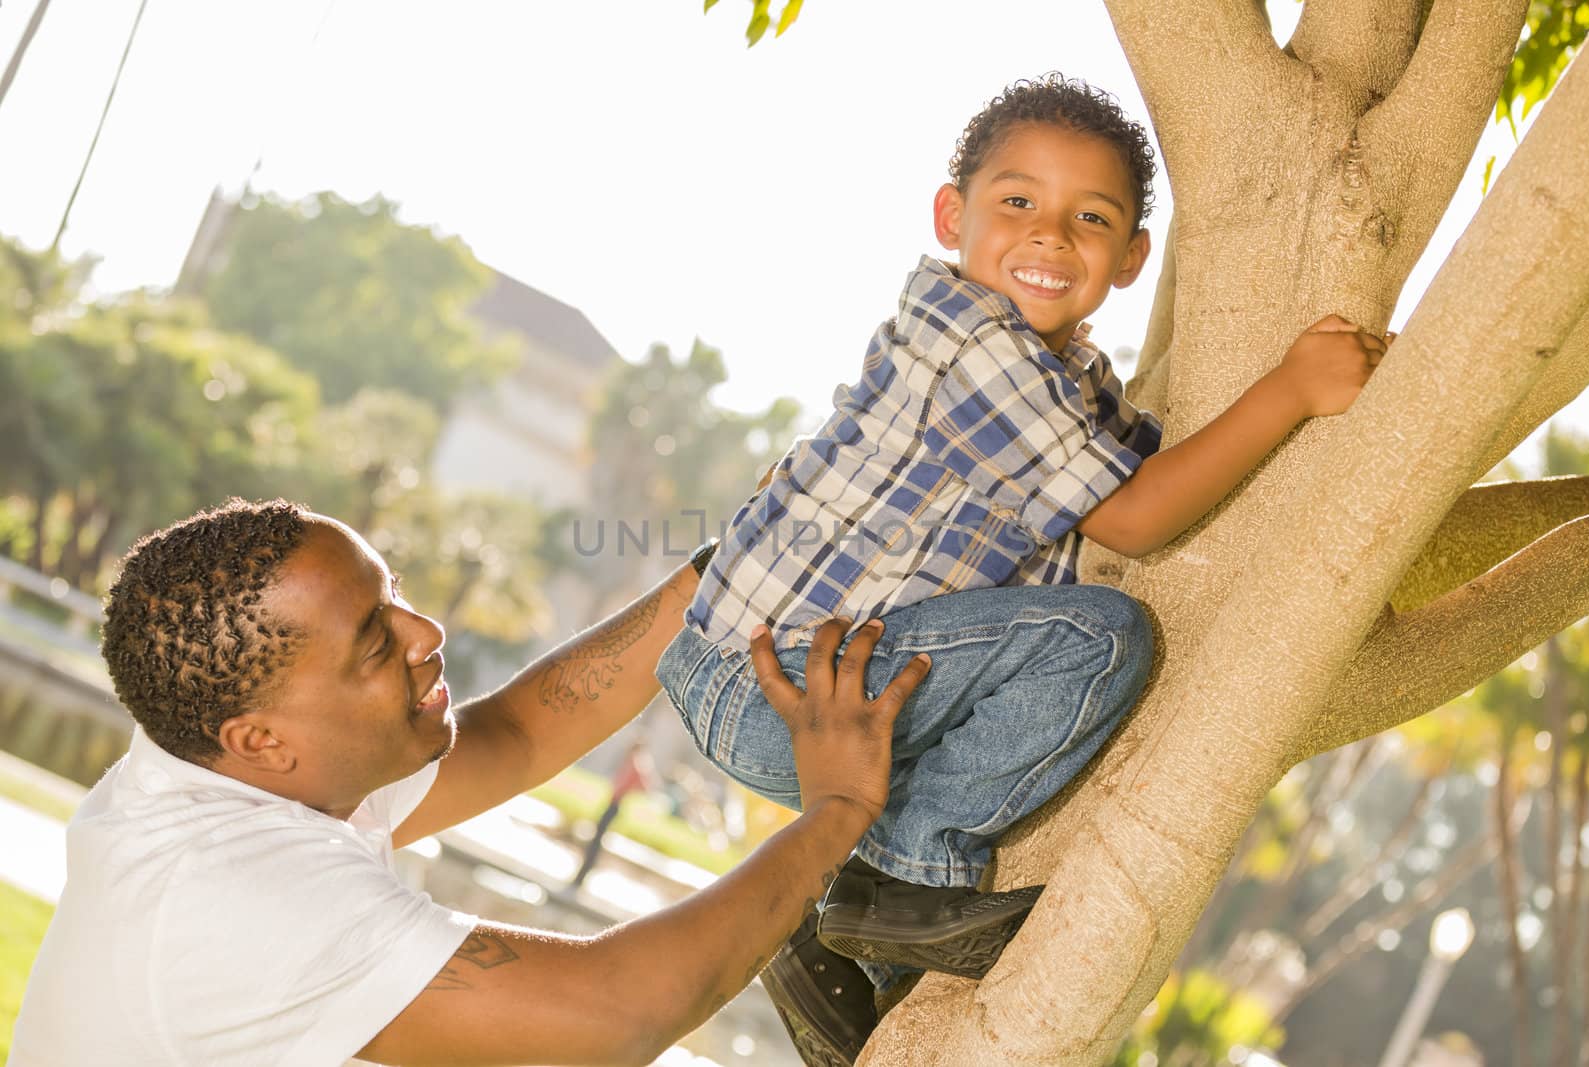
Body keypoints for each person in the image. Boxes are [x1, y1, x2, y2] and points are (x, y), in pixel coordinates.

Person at [658, 74, 1390, 1065]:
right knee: (1096, 635)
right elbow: (1134, 516)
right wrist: (1293, 389)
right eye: (1017, 204)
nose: (1050, 237)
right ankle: (900, 884)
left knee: (1052, 639)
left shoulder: (1066, 380)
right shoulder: (973, 340)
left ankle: (825, 932)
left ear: (1131, 257)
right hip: (781, 684)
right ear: (950, 215)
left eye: (1090, 218)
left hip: (811, 681)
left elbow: (1161, 462)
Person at [9, 499, 930, 1067]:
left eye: (395, 591)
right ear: (261, 739)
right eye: (377, 640)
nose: (426, 631)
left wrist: (728, 570)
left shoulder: (236, 762)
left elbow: (520, 730)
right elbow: (617, 1014)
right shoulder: (226, 897)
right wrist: (839, 807)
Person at [568, 737, 656, 888]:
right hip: (613, 802)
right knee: (596, 838)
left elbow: (645, 785)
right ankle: (581, 875)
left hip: (616, 803)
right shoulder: (633, 761)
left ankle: (582, 876)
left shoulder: (637, 762)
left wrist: (627, 791)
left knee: (596, 841)